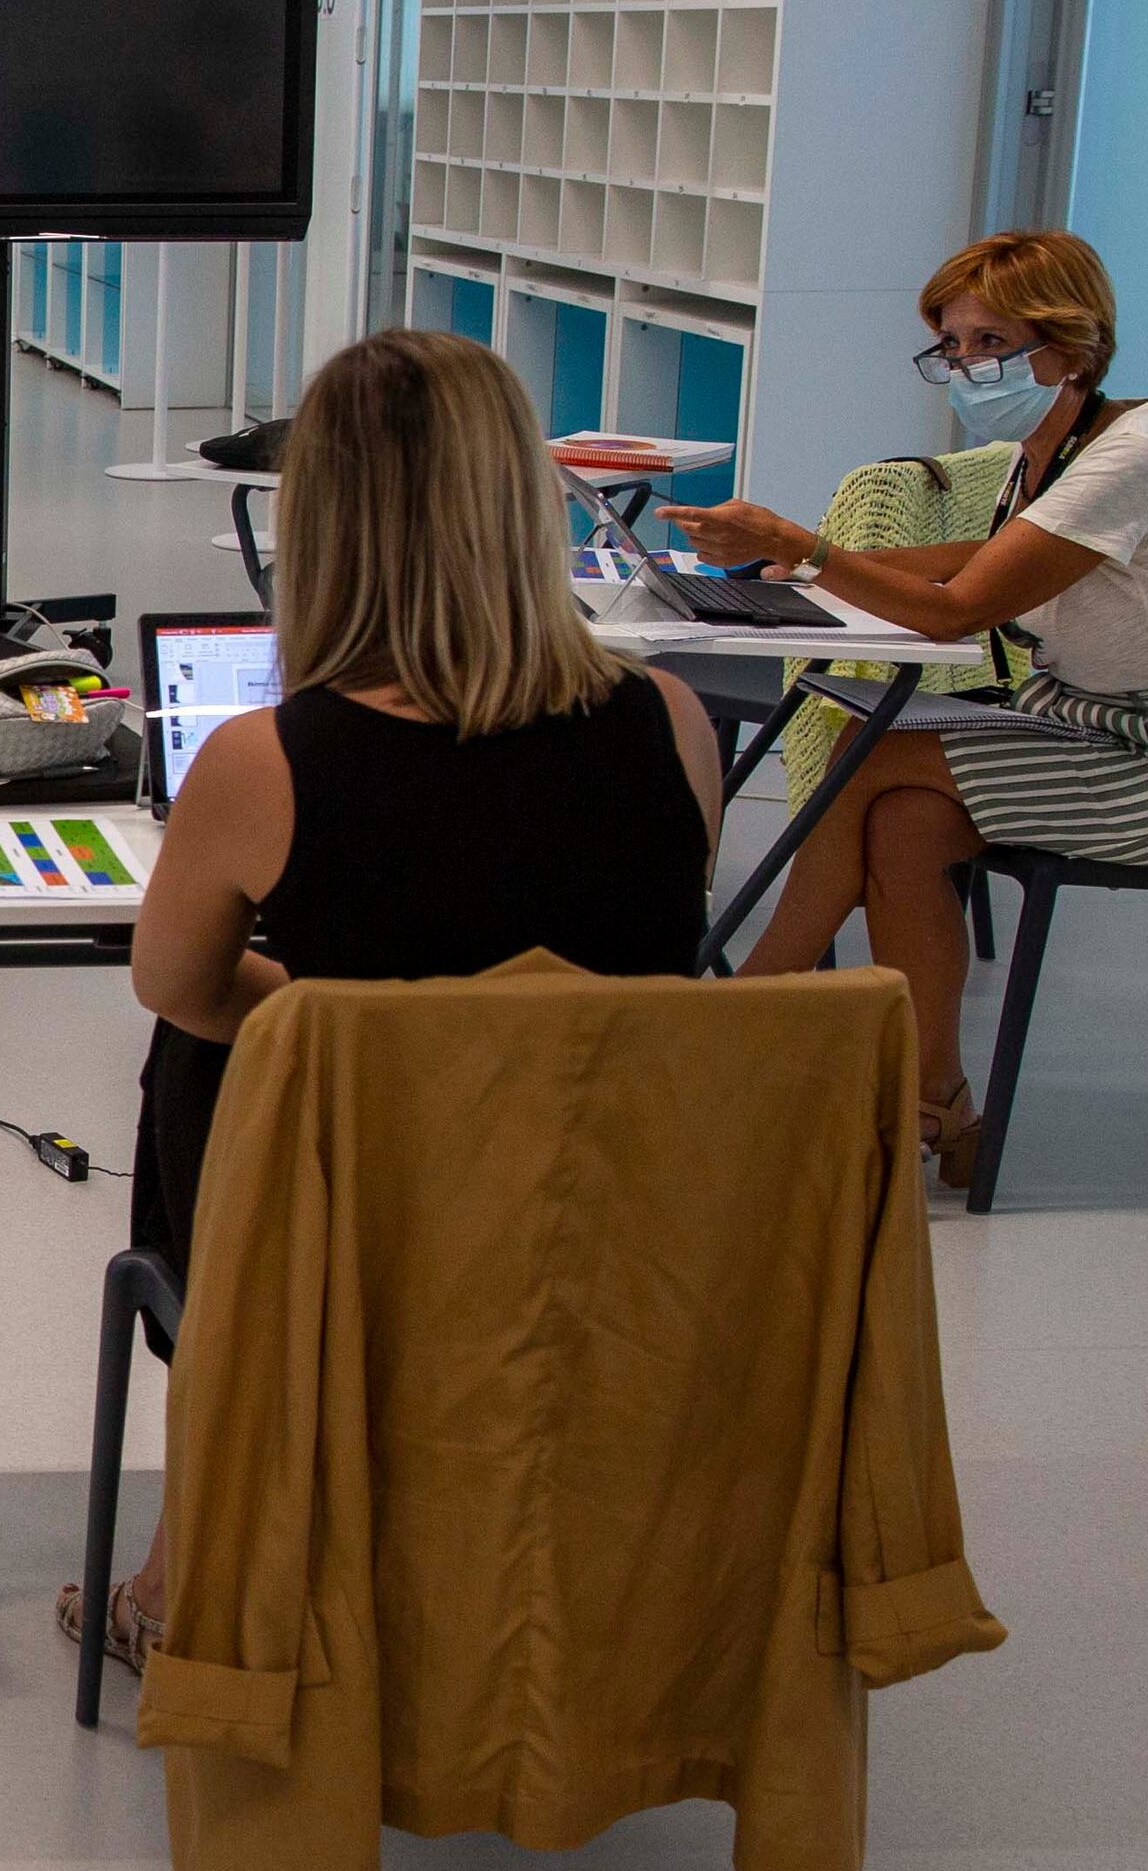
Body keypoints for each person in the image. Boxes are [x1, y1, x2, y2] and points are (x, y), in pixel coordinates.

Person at [105, 326, 727, 1668]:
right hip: (614, 1236)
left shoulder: (264, 759)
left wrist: (344, 1018)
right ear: (522, 501)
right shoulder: (672, 721)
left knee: (205, 1046)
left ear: (320, 521)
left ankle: (190, 1552)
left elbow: (178, 981)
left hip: (354, 1243)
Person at [668, 230, 1148, 1181]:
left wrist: (808, 546)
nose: (967, 366)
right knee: (906, 826)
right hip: (1088, 721)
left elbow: (961, 609)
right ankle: (938, 1103)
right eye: (954, 346)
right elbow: (965, 563)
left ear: (1072, 348)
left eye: (991, 343)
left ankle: (744, 1018)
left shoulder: (1131, 458)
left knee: (863, 759)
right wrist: (787, 563)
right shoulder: (1053, 446)